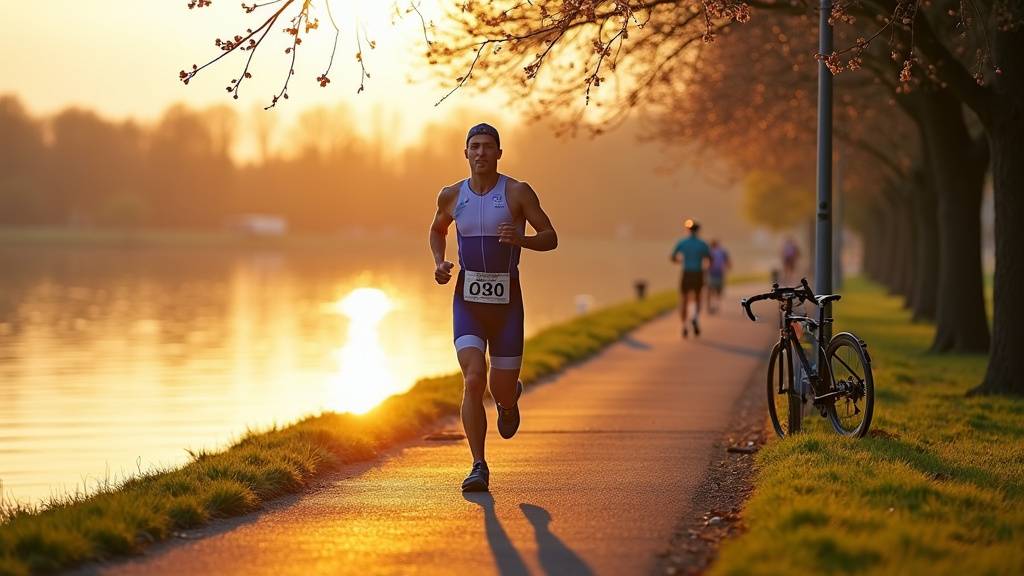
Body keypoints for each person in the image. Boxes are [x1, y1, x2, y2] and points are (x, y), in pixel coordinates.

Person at [428, 123, 558, 492]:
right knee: (472, 378)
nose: (481, 153)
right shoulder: (451, 195)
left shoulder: (517, 192)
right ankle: (478, 464)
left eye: (488, 147)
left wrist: (523, 240)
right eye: (475, 147)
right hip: (467, 299)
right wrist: (439, 263)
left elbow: (551, 236)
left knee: (499, 387)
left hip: (507, 303)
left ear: (499, 153)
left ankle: (508, 400)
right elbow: (437, 230)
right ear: (465, 153)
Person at [670, 219, 711, 338]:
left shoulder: (682, 242)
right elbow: (709, 259)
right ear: (698, 231)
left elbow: (673, 257)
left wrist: (680, 261)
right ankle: (694, 318)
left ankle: (684, 325)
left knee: (684, 299)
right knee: (698, 298)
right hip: (698, 273)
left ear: (688, 230)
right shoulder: (702, 244)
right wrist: (705, 268)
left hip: (686, 273)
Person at [706, 239, 731, 314]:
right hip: (719, 273)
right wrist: (727, 269)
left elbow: (706, 263)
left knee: (709, 291)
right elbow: (728, 262)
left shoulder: (709, 252)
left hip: (711, 273)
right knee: (718, 291)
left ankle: (709, 306)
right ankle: (716, 305)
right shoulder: (723, 251)